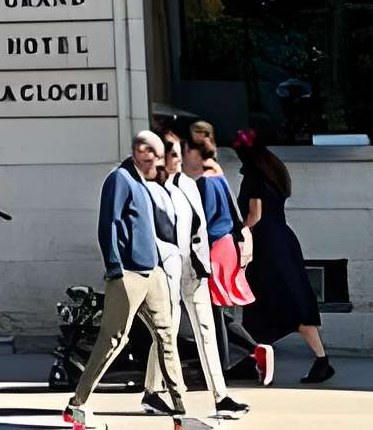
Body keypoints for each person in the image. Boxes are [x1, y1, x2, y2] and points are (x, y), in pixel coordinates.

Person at [62, 131, 218, 429]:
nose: (159, 163)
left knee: (167, 336)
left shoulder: (145, 184)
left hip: (153, 271)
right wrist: (115, 268)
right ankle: (76, 405)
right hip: (128, 274)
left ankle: (180, 412)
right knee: (113, 340)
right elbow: (108, 224)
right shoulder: (119, 179)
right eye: (154, 156)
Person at [235, 128, 334, 386]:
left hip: (267, 244)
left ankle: (254, 358)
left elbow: (255, 215)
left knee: (267, 301)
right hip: (284, 240)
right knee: (293, 300)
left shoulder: (255, 176)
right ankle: (318, 359)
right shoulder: (274, 171)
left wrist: (241, 233)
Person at [162, 130, 240, 416]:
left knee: (206, 330)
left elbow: (201, 228)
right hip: (167, 271)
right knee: (166, 331)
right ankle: (154, 391)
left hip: (194, 269)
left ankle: (221, 396)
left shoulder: (189, 184)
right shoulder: (155, 190)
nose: (176, 158)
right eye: (171, 153)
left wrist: (204, 264)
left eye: (178, 152)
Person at [183, 122, 250, 382]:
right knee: (217, 308)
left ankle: (220, 365)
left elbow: (205, 219)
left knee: (211, 310)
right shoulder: (219, 174)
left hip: (213, 247)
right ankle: (252, 349)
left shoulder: (204, 181)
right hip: (225, 245)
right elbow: (235, 215)